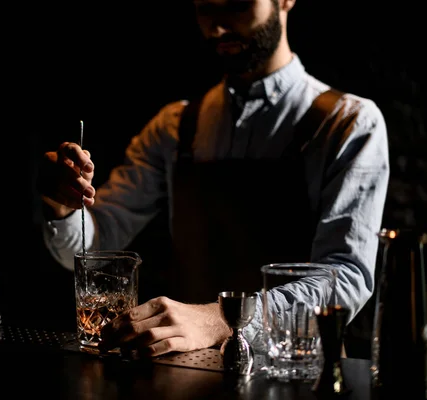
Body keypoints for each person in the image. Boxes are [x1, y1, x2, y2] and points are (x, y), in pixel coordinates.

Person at [38, 0, 389, 358]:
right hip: (192, 374)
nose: (217, 27)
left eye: (236, 4)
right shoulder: (173, 127)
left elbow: (346, 279)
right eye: (205, 8)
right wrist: (64, 207)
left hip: (300, 372)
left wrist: (222, 320)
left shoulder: (348, 122)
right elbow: (94, 246)